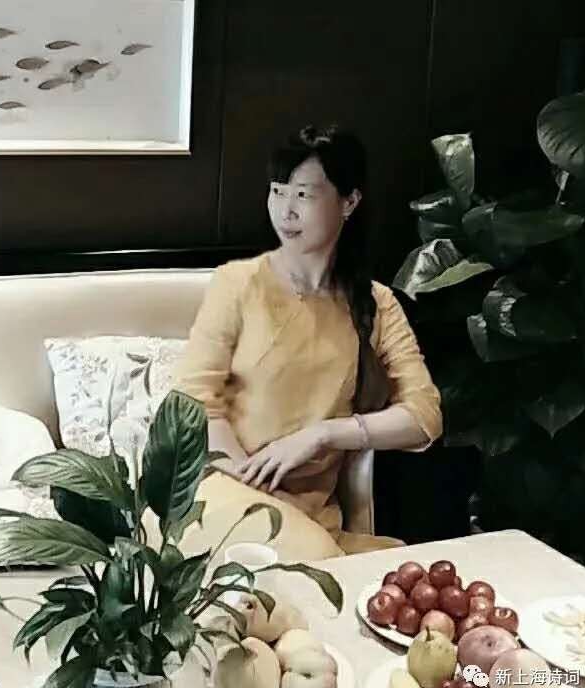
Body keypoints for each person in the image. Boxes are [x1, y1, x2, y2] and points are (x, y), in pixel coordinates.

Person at [174, 124, 442, 554]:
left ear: (349, 202)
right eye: (277, 191)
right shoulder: (237, 284)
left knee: (394, 568)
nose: (286, 211)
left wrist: (323, 434)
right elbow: (192, 405)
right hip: (222, 495)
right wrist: (250, 480)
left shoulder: (376, 304)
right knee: (317, 563)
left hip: (314, 521)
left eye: (303, 195)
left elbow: (424, 417)